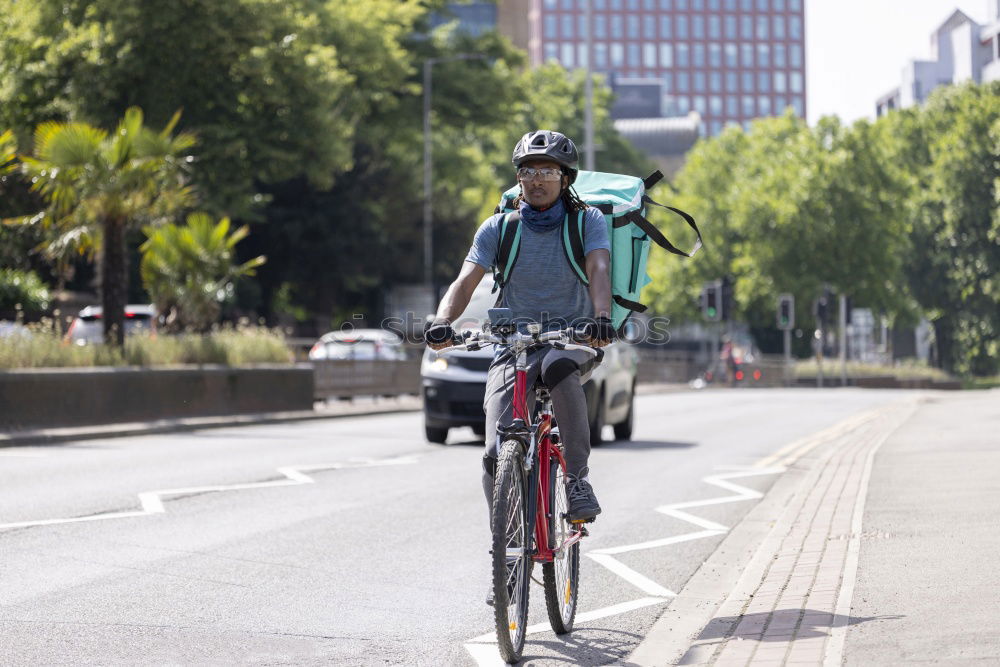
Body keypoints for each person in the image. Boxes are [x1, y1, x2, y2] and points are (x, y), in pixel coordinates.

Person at [424, 129, 614, 527]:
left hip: (572, 337)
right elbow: (464, 280)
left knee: (559, 367)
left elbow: (598, 266)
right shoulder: (499, 228)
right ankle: (506, 553)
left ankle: (578, 480)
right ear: (518, 178)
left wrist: (600, 317)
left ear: (565, 179)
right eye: (528, 170)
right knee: (496, 450)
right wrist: (442, 322)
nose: (537, 179)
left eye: (548, 170)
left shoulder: (586, 222)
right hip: (512, 344)